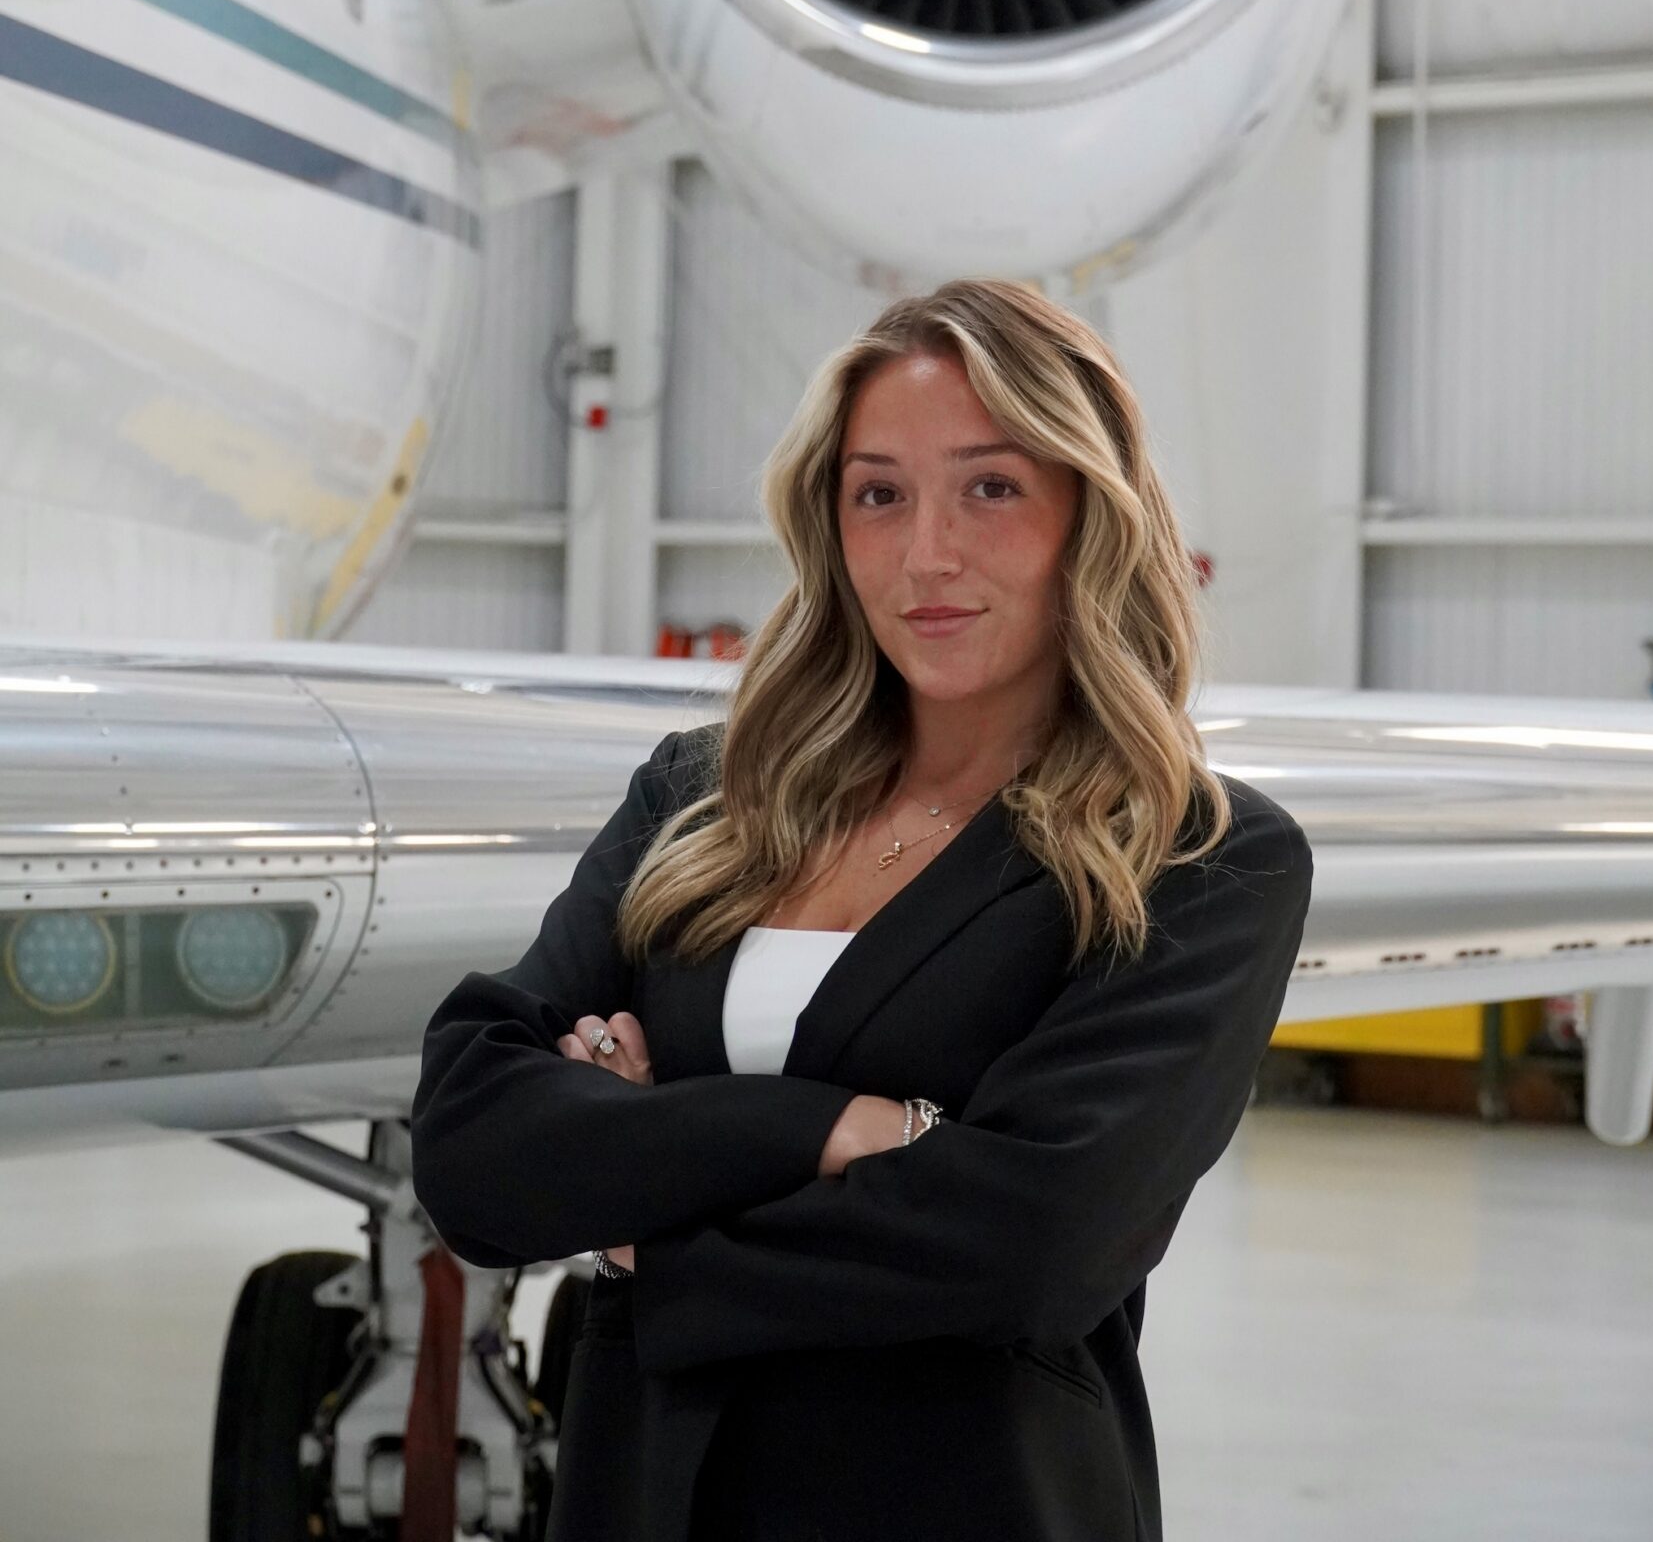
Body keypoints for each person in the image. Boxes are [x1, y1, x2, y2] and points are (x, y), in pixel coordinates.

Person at [411, 277, 1313, 1542]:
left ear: (1088, 517)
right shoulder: (702, 796)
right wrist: (835, 1128)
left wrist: (641, 1222)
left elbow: (1036, 1243)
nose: (926, 553)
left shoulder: (1196, 858)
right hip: (644, 1499)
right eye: (878, 492)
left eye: (991, 488)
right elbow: (471, 1141)